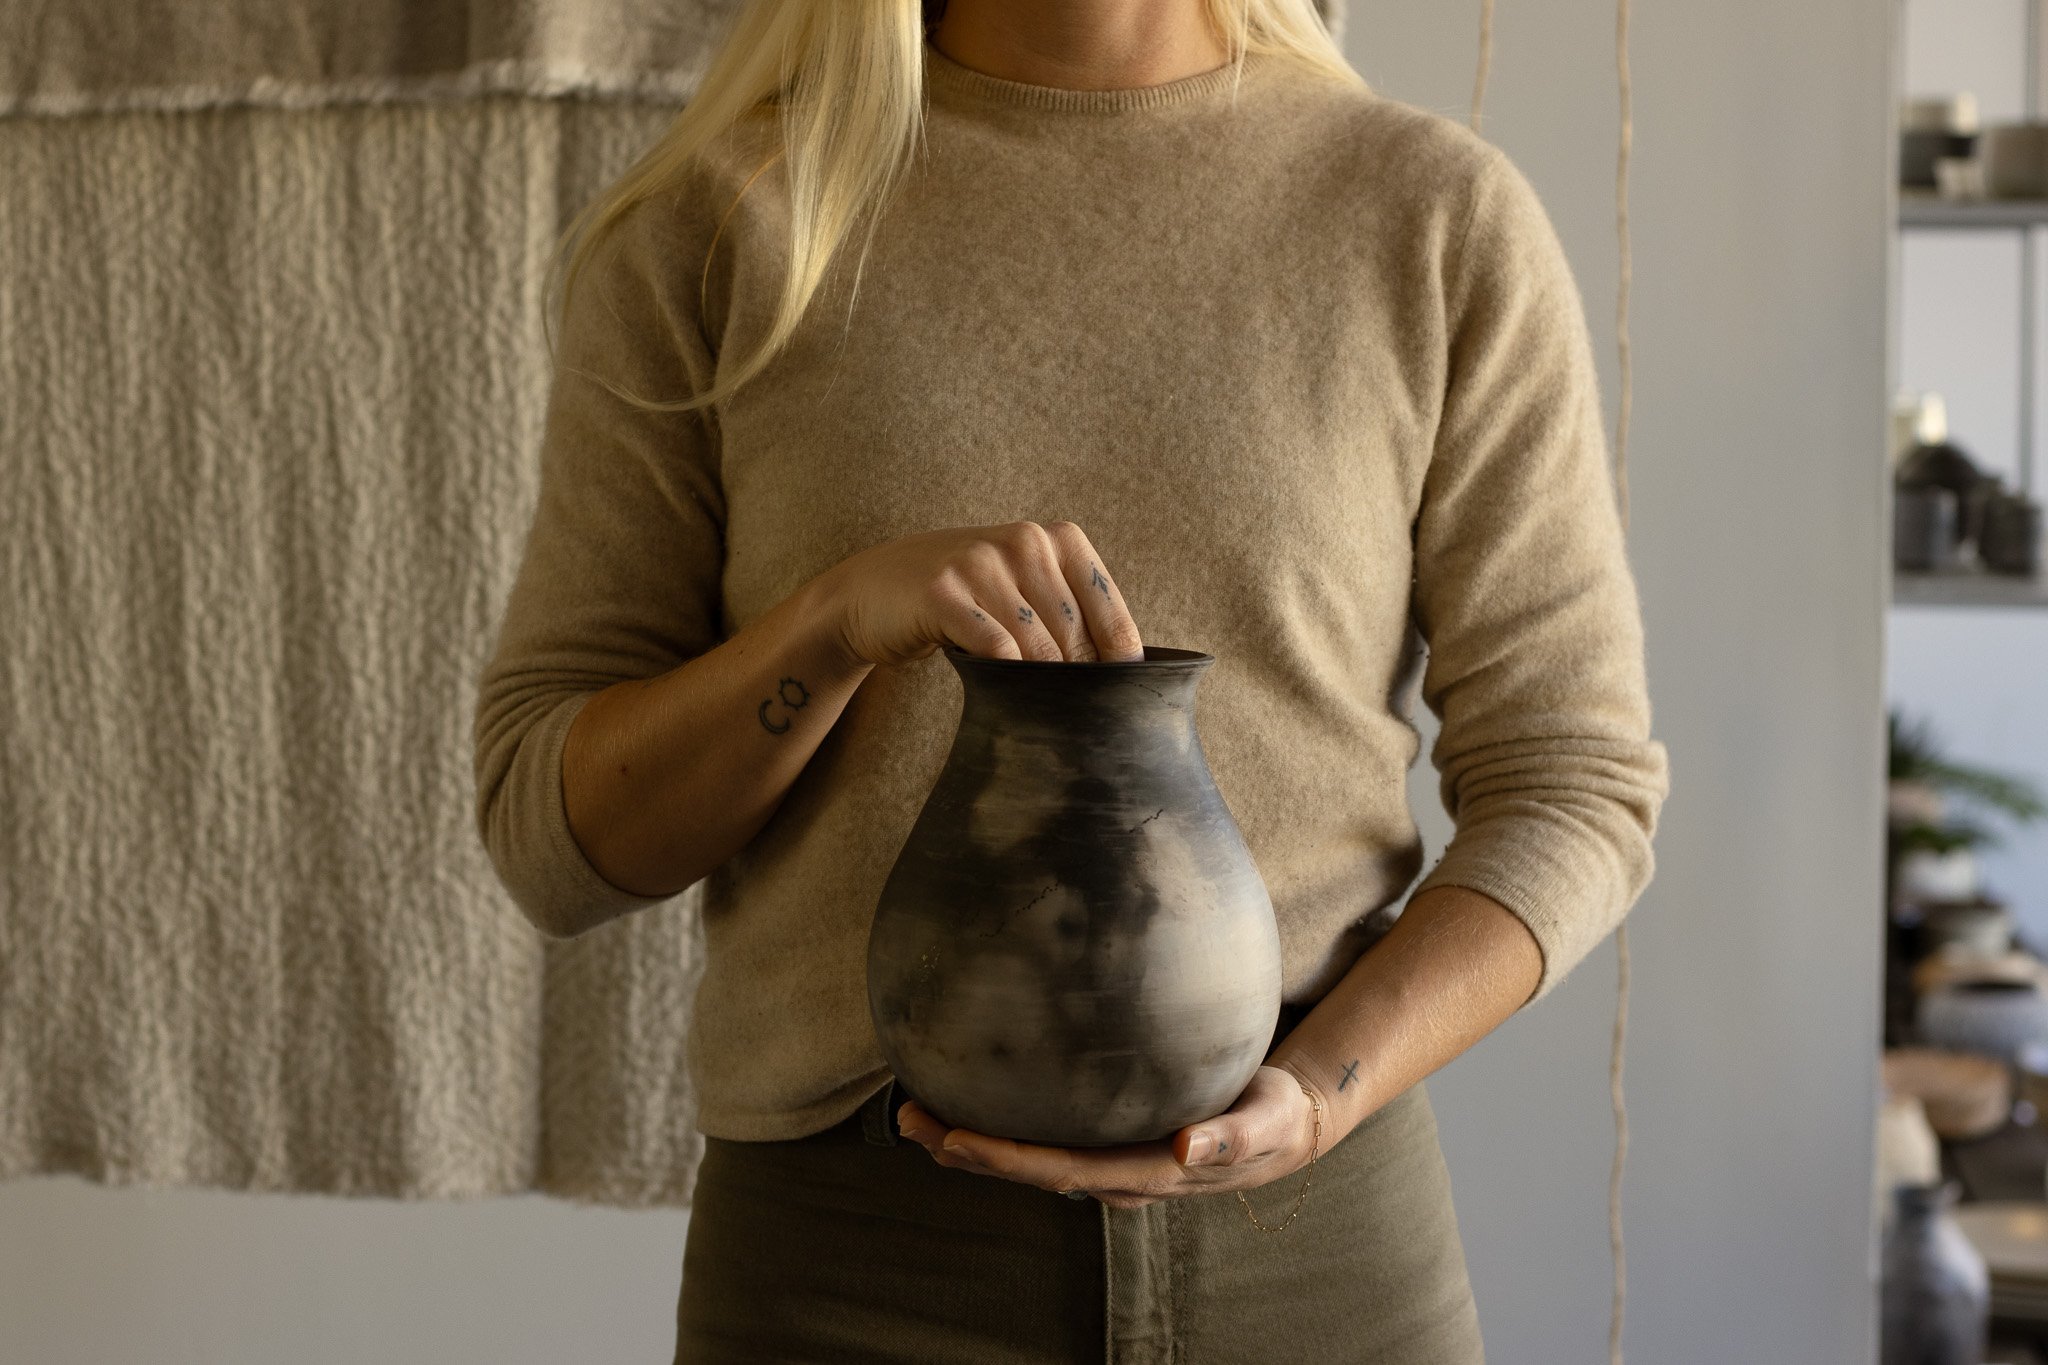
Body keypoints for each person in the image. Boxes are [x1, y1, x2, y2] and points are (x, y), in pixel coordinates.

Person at [470, 0, 1671, 1359]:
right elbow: (551, 841)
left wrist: (1322, 1090)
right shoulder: (717, 228)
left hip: (1317, 1264)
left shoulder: (1435, 219)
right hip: (851, 1275)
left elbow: (1574, 785)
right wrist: (833, 627)